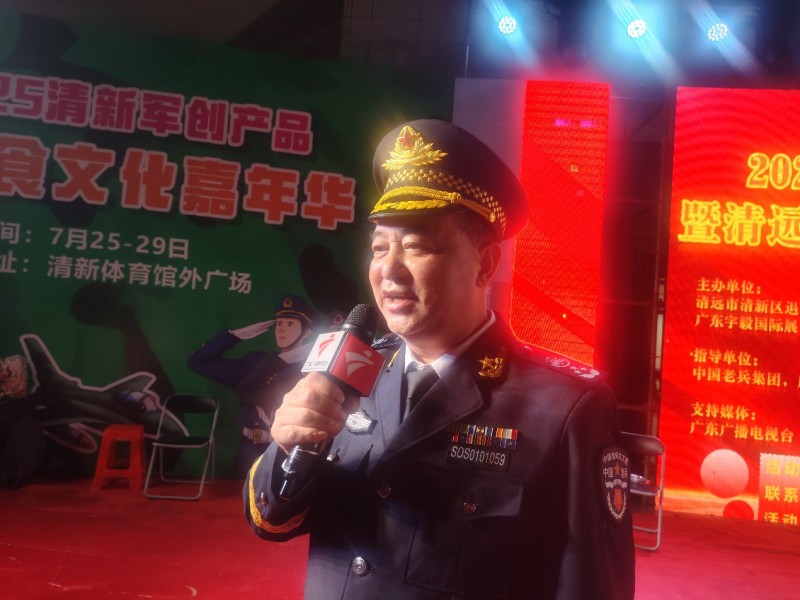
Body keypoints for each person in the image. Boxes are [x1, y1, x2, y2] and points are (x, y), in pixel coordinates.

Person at [243, 119, 635, 599]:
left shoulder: (567, 407)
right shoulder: (348, 370)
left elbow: (591, 585)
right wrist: (287, 447)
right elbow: (272, 520)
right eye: (380, 247)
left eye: (416, 246)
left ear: (484, 264)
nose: (388, 269)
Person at [188, 294, 319, 478]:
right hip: (251, 450)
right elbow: (197, 362)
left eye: (290, 324)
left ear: (306, 332)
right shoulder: (255, 363)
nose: (282, 329)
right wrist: (235, 336)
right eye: (279, 324)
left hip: (290, 451)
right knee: (239, 494)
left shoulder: (313, 368)